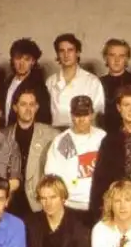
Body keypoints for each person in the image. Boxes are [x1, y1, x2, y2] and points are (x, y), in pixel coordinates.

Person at [44, 95, 106, 226]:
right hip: (71, 206)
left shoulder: (102, 137)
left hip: (100, 205)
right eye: (77, 115)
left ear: (92, 115)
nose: (81, 119)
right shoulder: (63, 141)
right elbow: (52, 177)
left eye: (85, 114)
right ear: (72, 115)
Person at [90, 84, 131, 221]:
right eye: (126, 105)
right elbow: (100, 181)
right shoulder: (110, 141)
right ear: (119, 108)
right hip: (120, 206)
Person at [4, 88, 59, 218]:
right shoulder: (3, 135)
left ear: (37, 107)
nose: (28, 109)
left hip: (37, 201)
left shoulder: (52, 135)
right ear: (15, 108)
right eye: (23, 104)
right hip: (10, 201)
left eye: (32, 104)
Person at [46, 33, 105, 128]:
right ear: (57, 54)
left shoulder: (92, 81)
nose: (66, 55)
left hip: (83, 132)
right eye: (62, 51)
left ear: (77, 53)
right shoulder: (50, 81)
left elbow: (98, 113)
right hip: (56, 132)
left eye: (70, 50)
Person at [2, 39, 51, 127]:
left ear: (33, 62)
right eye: (18, 58)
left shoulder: (39, 87)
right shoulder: (7, 82)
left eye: (27, 59)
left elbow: (44, 119)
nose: (22, 63)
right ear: (12, 60)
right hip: (5, 132)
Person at [99, 38, 131, 132]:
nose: (117, 60)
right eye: (112, 55)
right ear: (105, 58)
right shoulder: (98, 83)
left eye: (121, 56)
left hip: (128, 131)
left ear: (127, 59)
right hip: (102, 132)